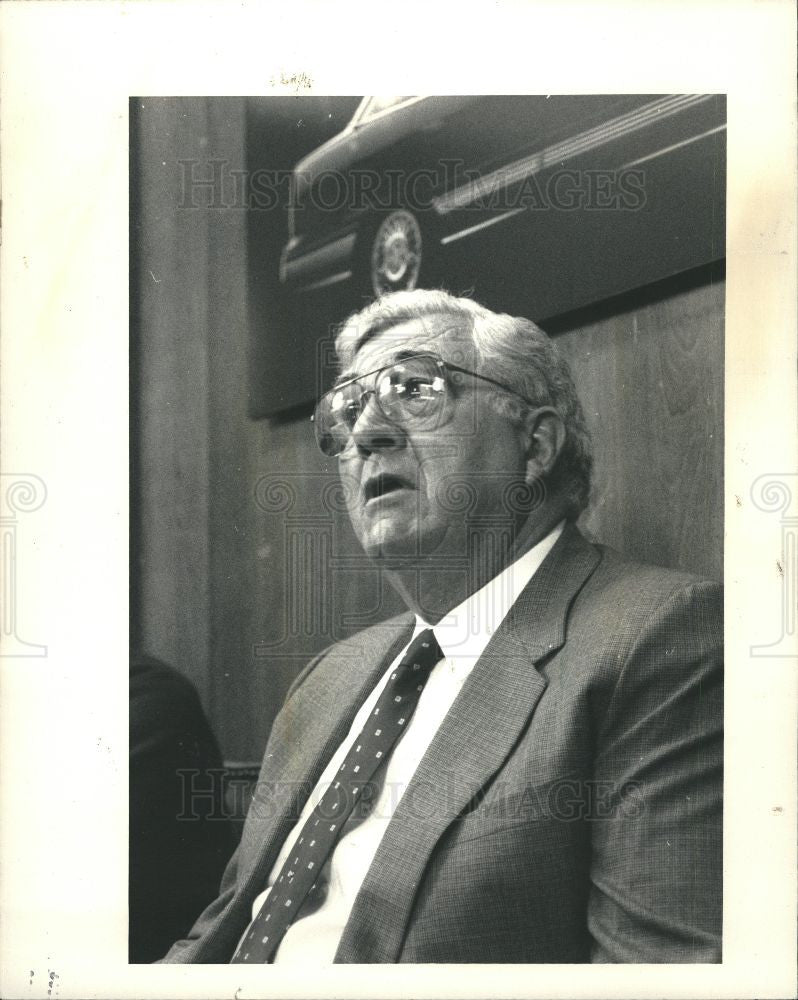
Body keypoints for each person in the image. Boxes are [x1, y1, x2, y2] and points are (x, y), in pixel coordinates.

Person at [160, 289, 723, 964]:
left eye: (415, 389)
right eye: (348, 409)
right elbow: (222, 933)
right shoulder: (331, 677)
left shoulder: (657, 641)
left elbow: (657, 977)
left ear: (535, 444)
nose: (367, 431)